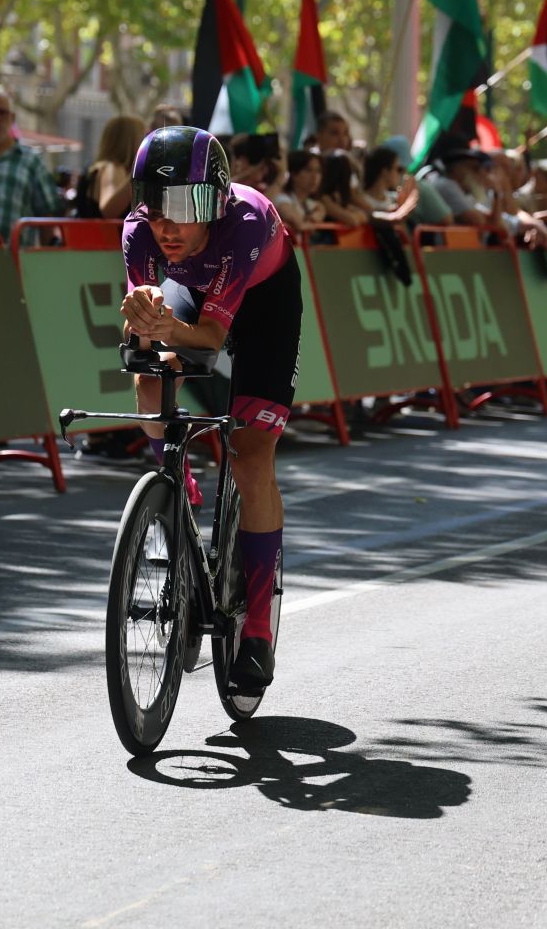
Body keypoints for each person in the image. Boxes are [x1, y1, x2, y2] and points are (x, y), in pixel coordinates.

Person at [120, 126, 302, 693]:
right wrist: (144, 326)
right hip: (197, 298)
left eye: (187, 207)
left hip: (262, 304)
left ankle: (256, 631)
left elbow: (210, 339)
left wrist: (167, 329)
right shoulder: (138, 233)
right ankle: (174, 485)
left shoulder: (244, 222)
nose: (168, 227)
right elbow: (149, 320)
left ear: (216, 202)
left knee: (249, 459)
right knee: (146, 368)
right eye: (156, 209)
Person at [0, 88, 61, 245]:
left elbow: (46, 218)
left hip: (14, 260)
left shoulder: (31, 161)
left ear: (12, 118)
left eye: (2, 113)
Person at [74, 115, 144, 220]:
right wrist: (140, 171)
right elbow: (109, 210)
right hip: (108, 236)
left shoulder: (96, 168)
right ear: (132, 141)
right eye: (143, 136)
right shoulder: (113, 168)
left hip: (89, 235)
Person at [274, 148, 325, 233]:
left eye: (318, 171)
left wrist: (318, 213)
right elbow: (295, 220)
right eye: (308, 170)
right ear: (293, 174)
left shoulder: (312, 204)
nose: (315, 177)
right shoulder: (280, 198)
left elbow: (320, 210)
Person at [314, 150, 367, 227]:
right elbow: (352, 220)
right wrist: (355, 216)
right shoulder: (324, 199)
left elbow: (364, 216)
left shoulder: (337, 197)